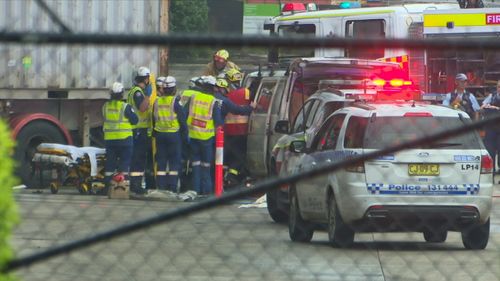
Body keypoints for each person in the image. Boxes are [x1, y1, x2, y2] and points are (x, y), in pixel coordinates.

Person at [187, 76, 223, 195]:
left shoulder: (193, 98)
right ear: (213, 88)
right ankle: (206, 191)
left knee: (195, 165)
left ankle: (195, 190)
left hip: (193, 137)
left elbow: (184, 112)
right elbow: (218, 122)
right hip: (206, 140)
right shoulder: (213, 102)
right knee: (206, 166)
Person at [152, 76, 188, 193]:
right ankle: (172, 187)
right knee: (174, 162)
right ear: (174, 89)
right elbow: (182, 121)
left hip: (160, 134)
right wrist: (184, 137)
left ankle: (161, 187)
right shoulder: (175, 103)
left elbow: (154, 118)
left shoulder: (157, 102)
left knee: (161, 162)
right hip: (173, 135)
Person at [102, 82, 138, 193]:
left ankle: (107, 188)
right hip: (125, 140)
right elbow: (135, 120)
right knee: (124, 164)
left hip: (110, 140)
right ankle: (123, 188)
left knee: (110, 165)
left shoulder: (105, 106)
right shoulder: (125, 107)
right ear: (122, 94)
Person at [223, 69, 254, 185]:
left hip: (228, 131)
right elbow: (253, 103)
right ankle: (232, 176)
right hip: (243, 130)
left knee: (230, 154)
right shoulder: (246, 92)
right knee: (240, 154)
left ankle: (228, 177)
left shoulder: (226, 94)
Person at [127, 66, 154, 195]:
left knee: (140, 159)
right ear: (146, 78)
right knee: (138, 159)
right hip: (138, 130)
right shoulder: (138, 92)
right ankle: (135, 185)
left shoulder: (137, 91)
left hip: (140, 130)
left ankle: (135, 183)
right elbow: (142, 108)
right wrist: (148, 96)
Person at [481, 81, 500, 174]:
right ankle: (491, 173)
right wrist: (488, 106)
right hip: (491, 129)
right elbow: (482, 106)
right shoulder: (492, 96)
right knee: (490, 150)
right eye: (499, 87)